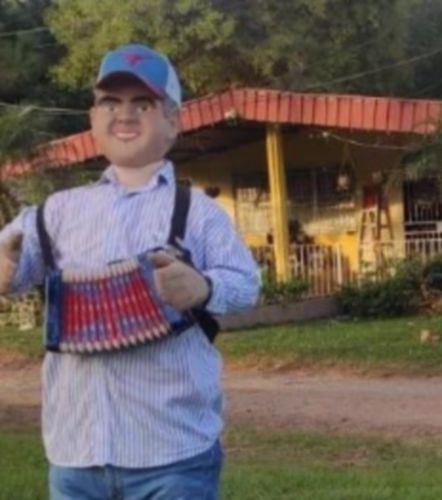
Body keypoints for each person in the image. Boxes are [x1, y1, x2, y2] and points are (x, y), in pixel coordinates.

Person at [0, 44, 259, 499]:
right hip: (75, 452)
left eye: (143, 104)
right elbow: (9, 265)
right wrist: (4, 268)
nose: (125, 114)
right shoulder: (56, 211)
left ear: (173, 120)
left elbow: (248, 285)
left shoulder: (197, 211)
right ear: (93, 118)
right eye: (110, 102)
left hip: (172, 453)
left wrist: (203, 287)